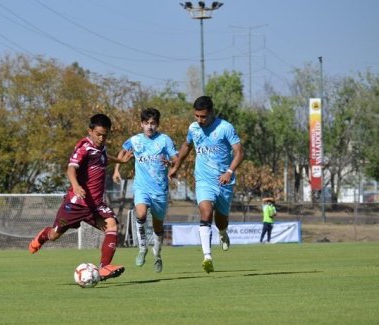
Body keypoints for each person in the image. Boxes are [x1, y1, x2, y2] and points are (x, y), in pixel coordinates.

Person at [28, 113, 133, 281]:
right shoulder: (84, 147)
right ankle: (42, 236)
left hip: (95, 205)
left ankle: (104, 267)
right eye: (98, 134)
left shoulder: (101, 149)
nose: (101, 138)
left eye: (104, 135)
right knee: (55, 235)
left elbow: (104, 159)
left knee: (112, 226)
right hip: (76, 204)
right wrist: (76, 186)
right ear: (90, 131)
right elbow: (71, 168)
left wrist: (121, 162)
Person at [169, 96, 244, 273]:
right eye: (197, 116)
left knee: (221, 220)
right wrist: (176, 167)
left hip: (224, 181)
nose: (199, 120)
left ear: (211, 113)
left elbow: (239, 152)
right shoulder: (193, 128)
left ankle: (223, 233)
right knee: (206, 211)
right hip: (203, 180)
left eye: (203, 117)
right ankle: (207, 256)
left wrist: (229, 172)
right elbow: (186, 147)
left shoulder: (225, 128)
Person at [112, 107, 178, 272]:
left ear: (157, 124)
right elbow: (122, 151)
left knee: (157, 226)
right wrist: (116, 170)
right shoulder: (135, 140)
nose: (150, 127)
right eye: (147, 123)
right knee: (140, 214)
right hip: (141, 187)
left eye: (153, 123)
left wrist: (170, 164)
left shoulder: (164, 140)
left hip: (160, 190)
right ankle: (142, 249)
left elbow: (176, 159)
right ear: (141, 124)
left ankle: (157, 255)